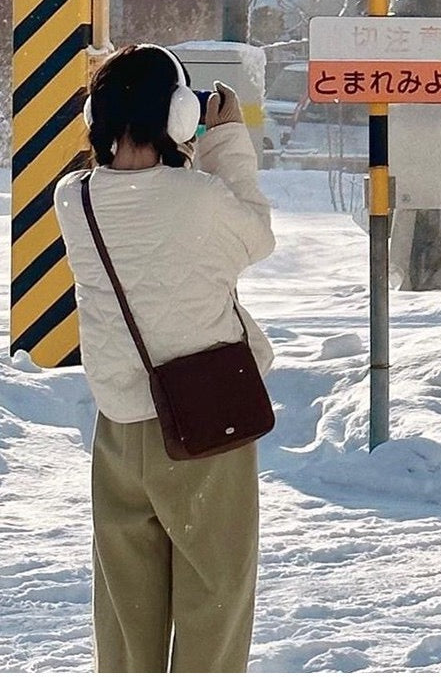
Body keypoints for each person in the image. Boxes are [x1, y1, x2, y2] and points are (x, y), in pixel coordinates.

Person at [54, 43, 275, 672]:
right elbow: (256, 235)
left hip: (119, 428)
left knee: (126, 617)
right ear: (179, 116)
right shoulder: (197, 199)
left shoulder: (75, 200)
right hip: (207, 422)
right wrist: (226, 138)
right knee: (214, 599)